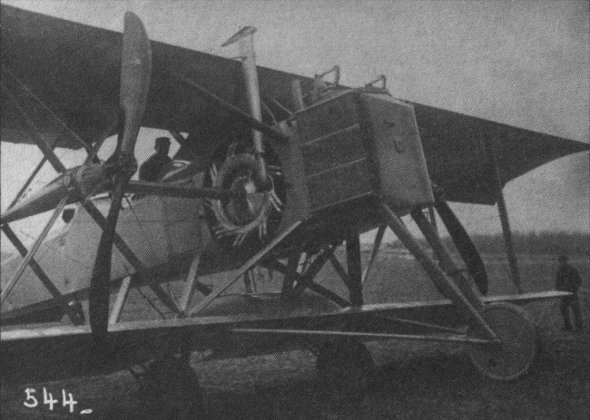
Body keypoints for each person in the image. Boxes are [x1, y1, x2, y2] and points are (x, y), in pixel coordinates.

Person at [555, 255, 583, 332]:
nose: (563, 263)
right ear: (559, 262)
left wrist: (574, 287)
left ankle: (579, 327)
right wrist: (560, 289)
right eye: (561, 261)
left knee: (576, 310)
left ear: (567, 261)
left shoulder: (573, 270)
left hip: (573, 293)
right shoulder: (559, 271)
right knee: (563, 309)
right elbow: (557, 284)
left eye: (565, 261)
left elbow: (579, 281)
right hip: (564, 294)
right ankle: (568, 326)